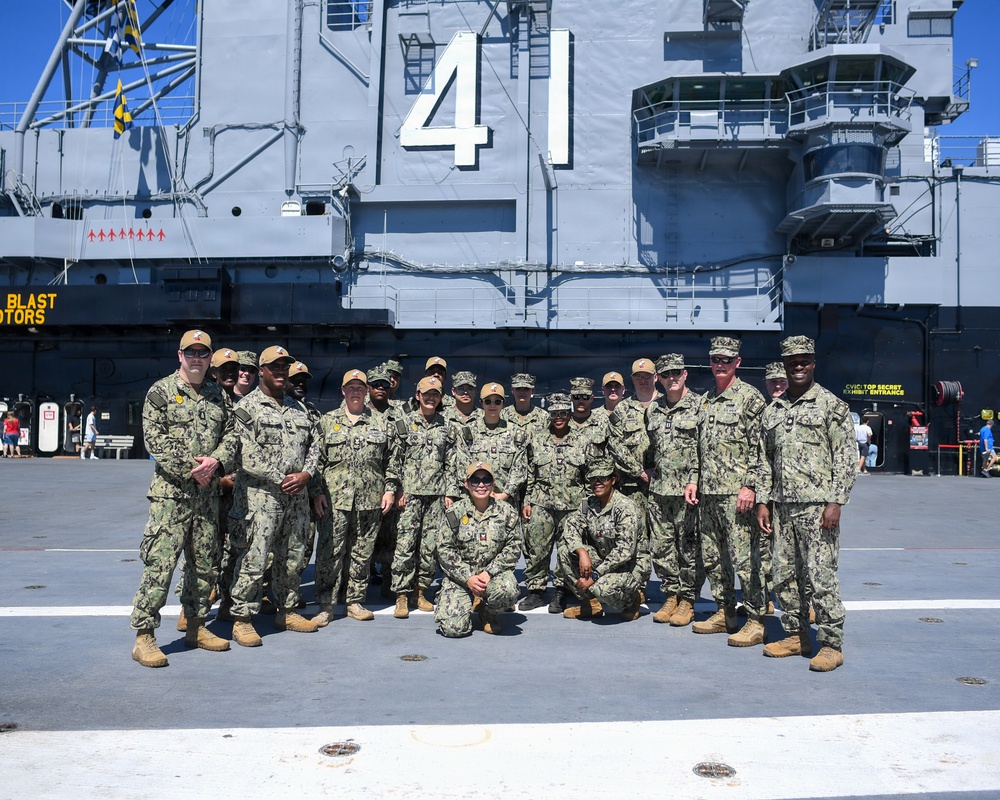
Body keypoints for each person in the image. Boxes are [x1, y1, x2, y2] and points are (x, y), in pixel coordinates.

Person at [129, 330, 237, 668]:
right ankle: (144, 636)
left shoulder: (218, 396)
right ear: (180, 355)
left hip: (207, 497)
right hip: (171, 497)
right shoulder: (160, 392)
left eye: (203, 353)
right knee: (160, 565)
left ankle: (196, 626)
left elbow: (233, 435)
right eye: (191, 352)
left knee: (203, 566)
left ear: (210, 359)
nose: (196, 358)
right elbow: (154, 439)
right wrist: (194, 469)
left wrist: (216, 461)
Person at [756, 336, 857, 672]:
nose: (798, 366)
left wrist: (836, 501)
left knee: (820, 576)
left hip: (817, 508)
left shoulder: (832, 406)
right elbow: (763, 459)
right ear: (785, 366)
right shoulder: (773, 411)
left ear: (813, 363)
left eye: (804, 361)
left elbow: (845, 457)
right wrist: (763, 501)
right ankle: (796, 634)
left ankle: (831, 643)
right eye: (792, 362)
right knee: (784, 575)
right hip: (782, 507)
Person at [228, 346, 322, 647]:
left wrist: (306, 474)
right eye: (275, 367)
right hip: (260, 497)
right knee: (254, 557)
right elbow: (246, 452)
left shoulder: (300, 409)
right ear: (262, 371)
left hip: (297, 497)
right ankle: (242, 618)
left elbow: (315, 445)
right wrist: (281, 477)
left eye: (285, 367)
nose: (281, 372)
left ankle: (287, 610)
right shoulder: (246, 407)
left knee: (293, 556)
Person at [694, 336, 768, 648]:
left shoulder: (750, 399)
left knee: (745, 560)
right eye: (715, 359)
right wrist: (694, 480)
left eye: (726, 359)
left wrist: (750, 485)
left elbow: (761, 447)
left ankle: (756, 620)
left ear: (737, 362)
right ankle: (725, 612)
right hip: (708, 495)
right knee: (714, 558)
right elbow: (698, 447)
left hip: (737, 497)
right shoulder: (706, 400)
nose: (720, 364)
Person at [311, 369, 399, 625]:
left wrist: (390, 489)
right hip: (334, 500)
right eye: (351, 387)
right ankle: (326, 604)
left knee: (362, 552)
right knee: (330, 552)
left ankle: (354, 601)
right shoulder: (327, 421)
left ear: (367, 391)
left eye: (360, 387)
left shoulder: (382, 423)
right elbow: (316, 461)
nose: (356, 392)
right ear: (343, 390)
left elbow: (393, 460)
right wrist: (317, 492)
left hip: (369, 500)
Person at [391, 375, 468, 618]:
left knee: (429, 546)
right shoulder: (404, 424)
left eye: (435, 395)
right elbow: (395, 461)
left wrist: (451, 492)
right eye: (426, 394)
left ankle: (420, 591)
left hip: (436, 496)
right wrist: (397, 489)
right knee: (405, 544)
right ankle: (401, 595)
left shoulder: (448, 427)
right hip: (410, 495)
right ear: (418, 395)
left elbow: (452, 464)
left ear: (441, 397)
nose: (431, 398)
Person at [520, 392, 591, 613]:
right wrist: (527, 501)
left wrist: (586, 509)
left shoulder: (582, 441)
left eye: (562, 413)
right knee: (537, 549)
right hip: (542, 503)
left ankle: (561, 591)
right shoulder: (538, 440)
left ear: (569, 414)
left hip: (572, 506)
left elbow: (589, 478)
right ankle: (536, 591)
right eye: (554, 414)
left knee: (566, 550)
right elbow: (530, 474)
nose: (558, 417)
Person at [644, 354, 702, 627]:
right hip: (659, 491)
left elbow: (704, 449)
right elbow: (651, 447)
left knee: (689, 547)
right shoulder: (653, 410)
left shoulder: (700, 406)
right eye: (665, 374)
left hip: (688, 492)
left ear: (685, 373)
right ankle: (671, 594)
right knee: (662, 546)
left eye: (676, 372)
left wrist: (695, 479)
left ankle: (688, 600)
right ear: (658, 378)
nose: (672, 378)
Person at [435, 461, 522, 637]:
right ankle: (461, 603)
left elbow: (513, 547)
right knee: (453, 629)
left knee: (507, 589)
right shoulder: (455, 512)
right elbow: (444, 549)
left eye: (486, 480)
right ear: (467, 484)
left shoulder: (507, 512)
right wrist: (468, 577)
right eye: (475, 480)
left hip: (492, 576)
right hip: (461, 578)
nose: (481, 485)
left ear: (493, 483)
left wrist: (489, 572)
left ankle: (488, 612)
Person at [558, 459, 642, 621]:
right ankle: (590, 604)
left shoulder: (626, 507)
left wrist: (594, 576)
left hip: (628, 566)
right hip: (603, 558)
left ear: (613, 480)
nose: (597, 483)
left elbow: (625, 551)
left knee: (602, 589)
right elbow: (571, 525)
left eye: (602, 478)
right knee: (564, 552)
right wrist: (582, 552)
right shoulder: (588, 503)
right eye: (593, 479)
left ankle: (632, 599)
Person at [608, 358, 659, 611]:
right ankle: (638, 586)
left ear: (655, 377)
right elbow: (615, 445)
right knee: (636, 540)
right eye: (638, 376)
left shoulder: (667, 405)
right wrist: (639, 471)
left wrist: (656, 471)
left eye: (647, 375)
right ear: (632, 380)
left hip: (664, 487)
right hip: (632, 487)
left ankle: (677, 591)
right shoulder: (622, 410)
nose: (643, 380)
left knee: (666, 540)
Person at [464, 382, 528, 510]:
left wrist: (506, 494)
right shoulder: (468, 432)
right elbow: (463, 464)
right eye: (488, 401)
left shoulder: (516, 433)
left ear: (503, 404)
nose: (492, 405)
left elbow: (520, 467)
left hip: (507, 502)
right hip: (475, 501)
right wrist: (479, 494)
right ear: (481, 403)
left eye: (497, 402)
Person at [569, 377, 609, 455]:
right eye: (576, 396)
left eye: (585, 397)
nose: (581, 401)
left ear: (591, 398)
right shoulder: (562, 424)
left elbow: (610, 454)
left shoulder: (603, 423)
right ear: (571, 398)